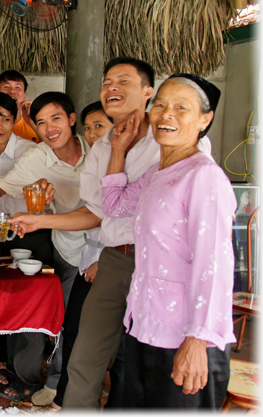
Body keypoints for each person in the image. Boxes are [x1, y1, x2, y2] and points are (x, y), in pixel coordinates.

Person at [8, 57, 211, 409]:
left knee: (142, 363)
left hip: (163, 265)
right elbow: (100, 211)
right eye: (106, 82)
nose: (111, 87)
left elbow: (200, 239)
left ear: (148, 93)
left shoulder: (175, 144)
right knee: (84, 358)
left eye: (123, 81)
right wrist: (40, 220)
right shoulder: (102, 148)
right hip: (115, 259)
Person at [100, 74, 234, 408]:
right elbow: (114, 205)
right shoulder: (157, 173)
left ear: (205, 119)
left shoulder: (203, 176)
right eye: (159, 105)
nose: (165, 114)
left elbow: (213, 265)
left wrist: (197, 341)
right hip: (145, 325)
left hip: (185, 337)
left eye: (181, 107)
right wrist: (118, 148)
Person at [0, 92, 87, 405]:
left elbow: (102, 209)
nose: (49, 127)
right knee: (36, 309)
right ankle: (33, 376)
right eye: (41, 122)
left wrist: (40, 215)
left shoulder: (97, 150)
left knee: (74, 321)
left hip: (94, 246)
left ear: (72, 120)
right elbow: (2, 185)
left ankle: (61, 385)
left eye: (56, 118)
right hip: (61, 242)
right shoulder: (36, 156)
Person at [48, 101, 120, 411]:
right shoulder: (97, 160)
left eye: (99, 126)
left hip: (110, 261)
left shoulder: (127, 161)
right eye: (88, 128)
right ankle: (64, 398)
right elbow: (92, 214)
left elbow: (115, 220)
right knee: (73, 329)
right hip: (87, 258)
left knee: (115, 346)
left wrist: (102, 260)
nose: (91, 134)